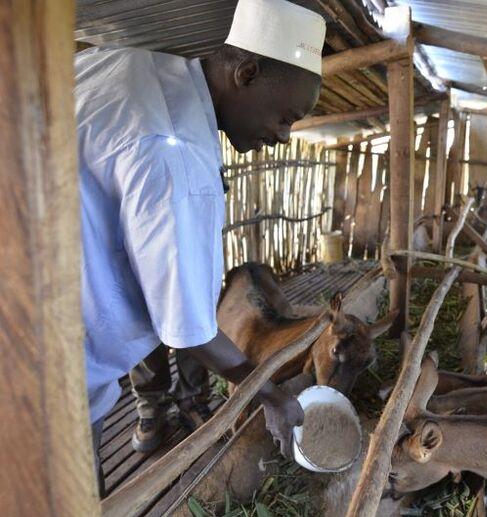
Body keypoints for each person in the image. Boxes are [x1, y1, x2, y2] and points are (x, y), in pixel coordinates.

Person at [75, 0, 325, 491]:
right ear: (246, 72)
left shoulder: (130, 64)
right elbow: (189, 330)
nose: (283, 136)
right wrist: (269, 396)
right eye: (287, 117)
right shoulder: (176, 152)